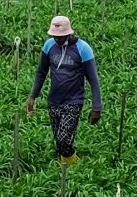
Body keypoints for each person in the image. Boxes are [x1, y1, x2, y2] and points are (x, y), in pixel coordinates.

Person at [24, 13, 101, 162]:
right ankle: (67, 173)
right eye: (55, 36)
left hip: (74, 101)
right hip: (54, 101)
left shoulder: (83, 49)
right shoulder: (49, 46)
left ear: (69, 33)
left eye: (61, 36)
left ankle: (73, 164)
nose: (58, 39)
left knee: (63, 139)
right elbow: (41, 72)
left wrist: (96, 106)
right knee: (60, 141)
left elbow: (93, 80)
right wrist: (33, 96)